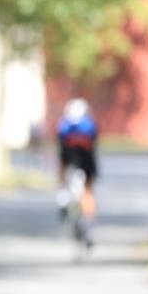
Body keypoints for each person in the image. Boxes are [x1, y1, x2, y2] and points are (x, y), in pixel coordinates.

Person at [56, 98, 98, 246]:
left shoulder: (64, 126)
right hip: (86, 164)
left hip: (71, 162)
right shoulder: (90, 125)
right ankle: (88, 225)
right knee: (88, 192)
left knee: (64, 172)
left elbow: (61, 156)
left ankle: (62, 198)